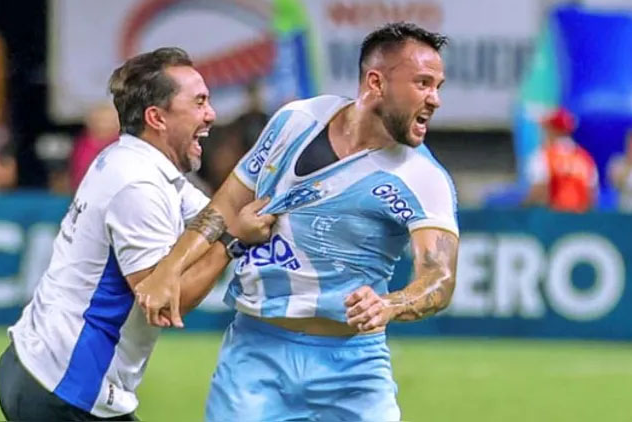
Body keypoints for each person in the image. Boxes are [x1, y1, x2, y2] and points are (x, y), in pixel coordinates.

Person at [136, 22, 460, 421]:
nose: (435, 99)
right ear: (376, 82)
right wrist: (169, 269)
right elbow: (225, 206)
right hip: (256, 357)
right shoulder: (297, 119)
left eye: (438, 86)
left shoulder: (424, 178)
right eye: (423, 84)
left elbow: (440, 277)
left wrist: (389, 304)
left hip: (355, 369)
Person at [0, 47, 274, 421]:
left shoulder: (133, 162)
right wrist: (230, 243)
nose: (211, 114)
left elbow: (217, 213)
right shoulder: (137, 186)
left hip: (36, 364)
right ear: (156, 117)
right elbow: (165, 303)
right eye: (199, 102)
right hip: (66, 386)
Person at [524, 107, 598, 212]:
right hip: (580, 218)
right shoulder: (585, 158)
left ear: (553, 130)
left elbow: (539, 192)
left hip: (553, 217)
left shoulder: (543, 156)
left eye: (545, 128)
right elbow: (592, 196)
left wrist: (521, 208)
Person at [69, 102, 121, 191]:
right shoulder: (82, 146)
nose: (104, 125)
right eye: (100, 120)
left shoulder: (123, 145)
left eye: (108, 121)